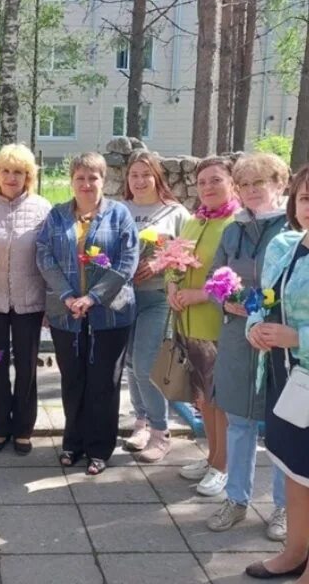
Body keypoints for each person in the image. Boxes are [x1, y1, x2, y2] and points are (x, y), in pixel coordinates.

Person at [36, 152, 138, 476]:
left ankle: (99, 448)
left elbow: (127, 262)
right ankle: (73, 442)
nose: (86, 184)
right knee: (73, 380)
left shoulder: (119, 215)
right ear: (71, 181)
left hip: (110, 313)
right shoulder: (57, 216)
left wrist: (92, 298)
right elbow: (44, 256)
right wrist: (68, 296)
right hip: (66, 314)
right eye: (80, 177)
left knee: (104, 383)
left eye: (92, 177)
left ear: (103, 180)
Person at [205, 153, 289, 538]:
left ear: (279, 186)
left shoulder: (292, 229)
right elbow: (213, 279)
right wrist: (225, 299)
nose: (253, 191)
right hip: (239, 338)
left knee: (280, 427)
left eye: (261, 183)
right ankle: (236, 500)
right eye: (245, 184)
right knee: (239, 422)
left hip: (280, 341)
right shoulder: (232, 230)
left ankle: (284, 508)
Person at [244, 165, 309, 580]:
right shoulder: (286, 244)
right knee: (295, 468)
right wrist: (255, 327)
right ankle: (296, 550)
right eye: (306, 198)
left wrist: (298, 337)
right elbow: (262, 299)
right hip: (286, 381)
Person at [0, 143, 50, 456]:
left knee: (28, 367)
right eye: (5, 171)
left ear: (28, 176)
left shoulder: (43, 208)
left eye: (18, 172)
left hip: (29, 305)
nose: (11, 177)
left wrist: (49, 302)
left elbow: (48, 259)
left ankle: (23, 429)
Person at [169, 156, 240, 497]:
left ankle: (223, 466)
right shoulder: (194, 221)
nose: (208, 187)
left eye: (216, 180)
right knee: (203, 398)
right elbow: (174, 259)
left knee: (221, 399)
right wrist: (171, 285)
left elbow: (238, 276)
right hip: (188, 323)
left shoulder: (236, 223)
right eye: (203, 182)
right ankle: (212, 456)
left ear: (231, 182)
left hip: (218, 324)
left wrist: (199, 294)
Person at [121, 151, 190, 462]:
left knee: (146, 363)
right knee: (131, 364)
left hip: (157, 298)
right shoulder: (119, 209)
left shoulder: (174, 212)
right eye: (134, 175)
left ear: (157, 178)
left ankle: (161, 433)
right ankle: (142, 422)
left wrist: (160, 263)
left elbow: (188, 255)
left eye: (146, 174)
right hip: (124, 298)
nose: (139, 180)